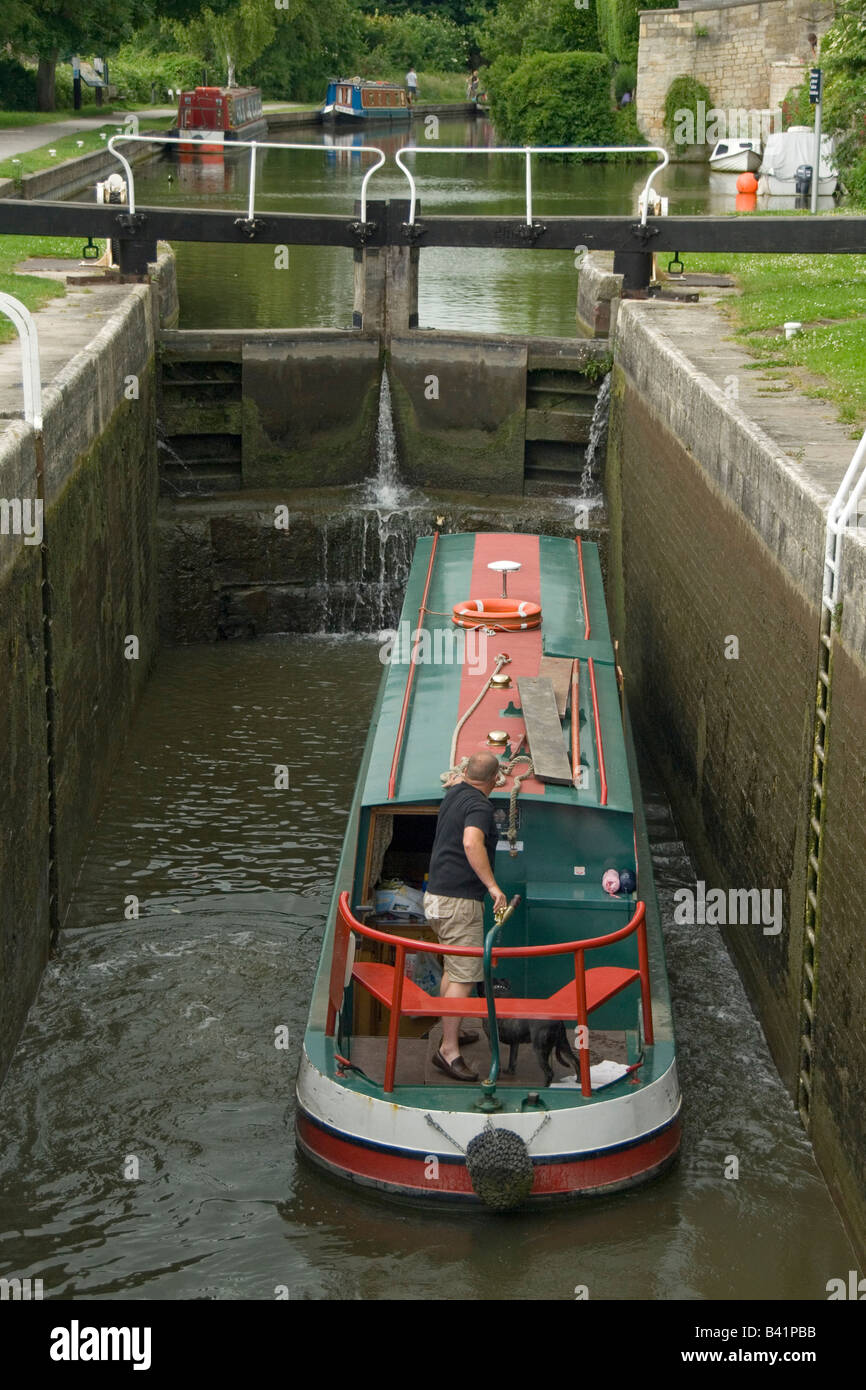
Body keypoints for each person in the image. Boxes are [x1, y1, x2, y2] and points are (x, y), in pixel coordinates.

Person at [423, 751, 507, 1082]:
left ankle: (452, 1032)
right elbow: (472, 843)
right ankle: (448, 1051)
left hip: (435, 899)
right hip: (459, 904)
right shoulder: (480, 806)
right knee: (463, 976)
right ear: (493, 780)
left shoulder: (455, 792)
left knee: (452, 971)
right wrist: (493, 887)